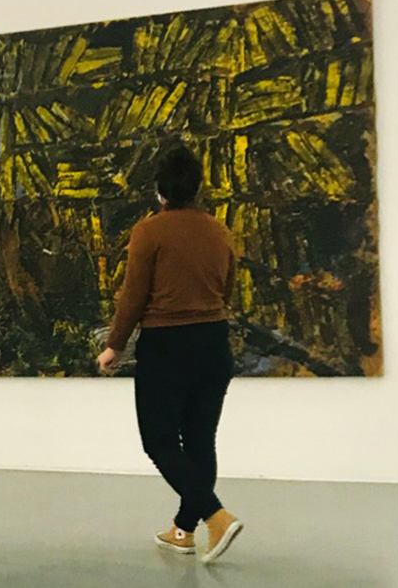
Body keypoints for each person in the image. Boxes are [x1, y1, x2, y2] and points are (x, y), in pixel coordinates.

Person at [96, 147, 244, 564]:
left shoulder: (150, 231)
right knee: (199, 441)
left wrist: (114, 345)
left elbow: (134, 296)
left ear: (160, 190)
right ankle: (184, 531)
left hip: (167, 346)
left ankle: (216, 516)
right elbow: (227, 290)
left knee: (159, 440)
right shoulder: (219, 231)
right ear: (197, 188)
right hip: (214, 343)